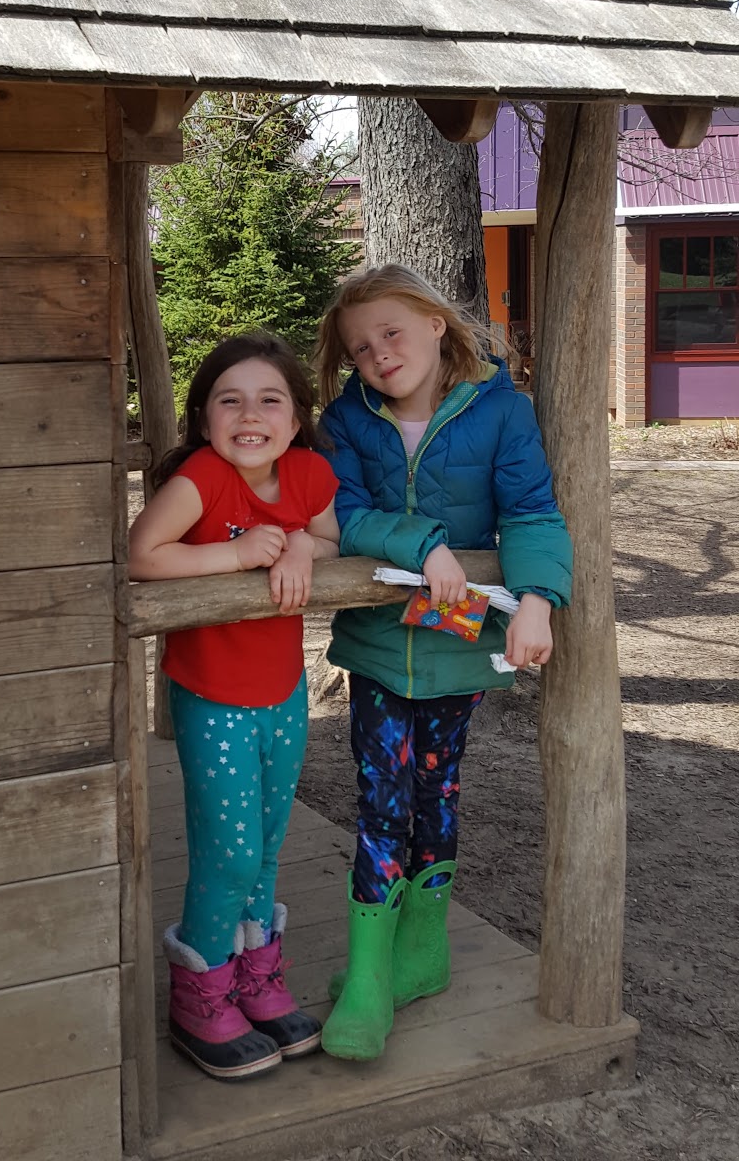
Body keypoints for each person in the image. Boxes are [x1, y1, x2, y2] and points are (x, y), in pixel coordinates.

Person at [313, 265, 572, 1062]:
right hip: (381, 646)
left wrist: (536, 600)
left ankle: (421, 953)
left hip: (461, 647)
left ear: (434, 322)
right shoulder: (346, 422)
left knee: (440, 788)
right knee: (381, 798)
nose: (378, 355)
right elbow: (347, 512)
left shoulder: (502, 412)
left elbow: (531, 510)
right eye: (360, 348)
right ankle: (366, 976)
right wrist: (421, 545)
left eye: (391, 332)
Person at [129, 333, 341, 1081]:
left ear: (296, 417)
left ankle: (255, 980)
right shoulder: (202, 477)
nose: (250, 415)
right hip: (211, 696)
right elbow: (143, 554)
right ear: (204, 415)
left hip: (283, 695)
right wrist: (239, 553)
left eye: (270, 400)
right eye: (231, 399)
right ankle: (200, 991)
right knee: (229, 849)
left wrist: (299, 551)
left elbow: (327, 533)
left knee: (270, 841)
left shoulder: (310, 472)